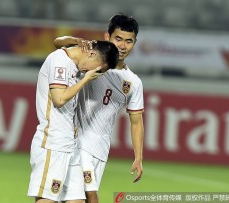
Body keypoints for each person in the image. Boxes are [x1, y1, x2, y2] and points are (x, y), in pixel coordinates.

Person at [54, 14, 144, 203]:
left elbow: (136, 122)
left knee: (73, 198)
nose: (122, 46)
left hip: (101, 150)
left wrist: (138, 157)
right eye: (118, 39)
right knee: (90, 196)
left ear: (134, 43)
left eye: (129, 41)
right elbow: (57, 45)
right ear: (107, 37)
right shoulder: (92, 59)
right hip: (77, 144)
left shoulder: (133, 82)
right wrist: (73, 41)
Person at [27, 40, 119, 203]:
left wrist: (75, 41)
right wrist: (86, 80)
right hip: (53, 143)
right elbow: (59, 99)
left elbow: (58, 42)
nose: (93, 73)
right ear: (91, 54)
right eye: (97, 69)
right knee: (47, 199)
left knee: (78, 200)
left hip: (70, 144)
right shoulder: (59, 62)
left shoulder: (73, 63)